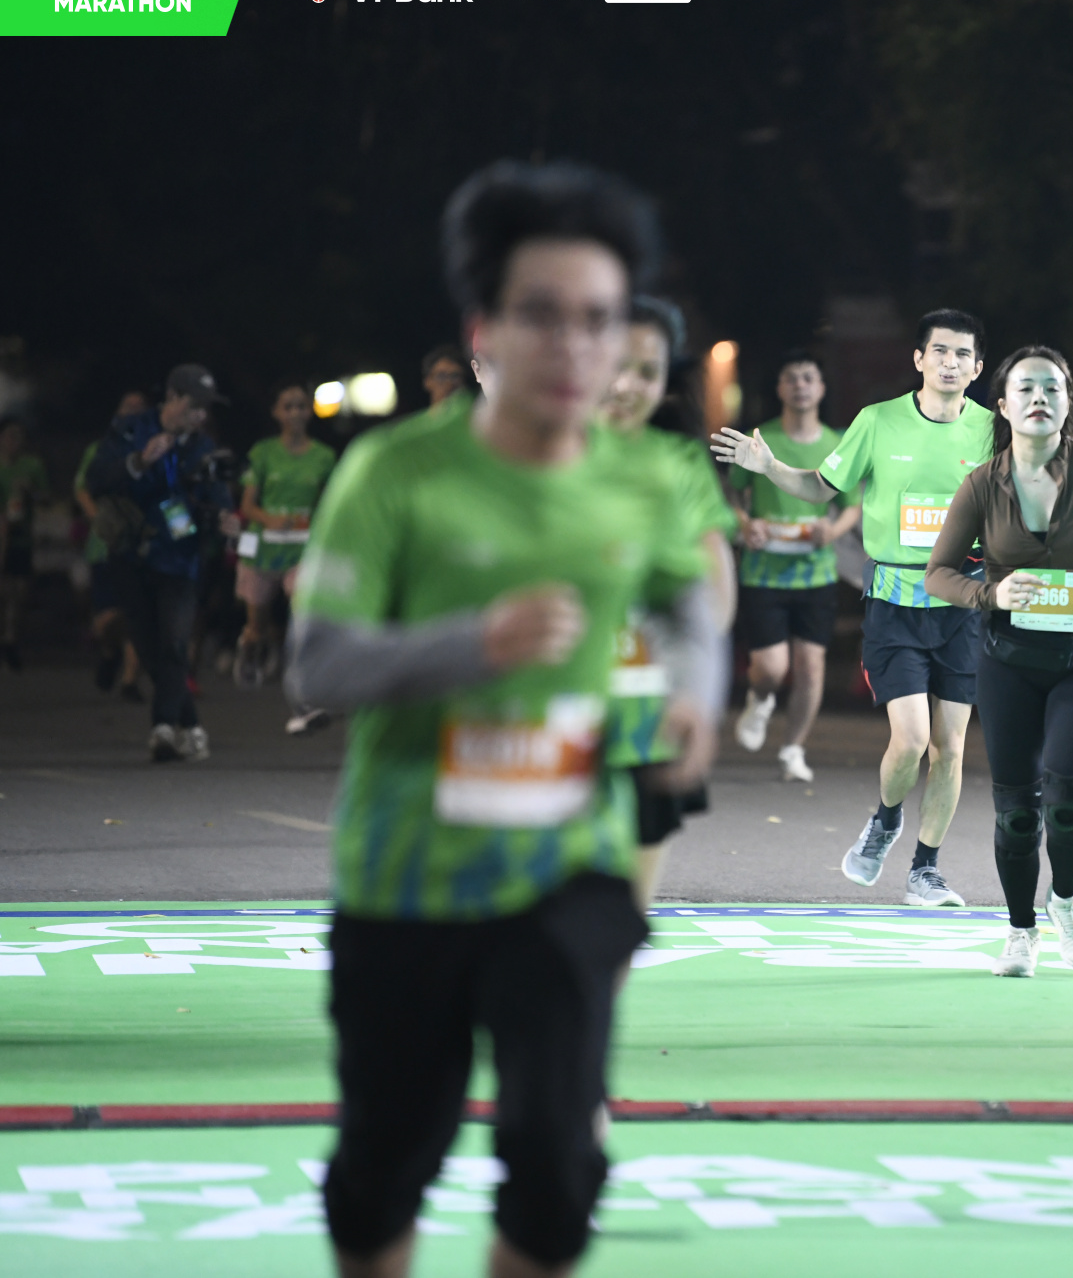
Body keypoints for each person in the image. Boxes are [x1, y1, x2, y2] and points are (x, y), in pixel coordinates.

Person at [287, 159, 716, 1278]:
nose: (574, 347)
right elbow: (317, 665)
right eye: (543, 316)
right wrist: (472, 643)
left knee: (560, 1172)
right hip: (407, 879)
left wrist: (696, 696)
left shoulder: (644, 480)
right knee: (384, 1167)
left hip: (569, 867)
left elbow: (690, 605)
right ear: (485, 329)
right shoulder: (393, 474)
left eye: (599, 320)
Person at [715, 315, 1073, 907]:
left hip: (969, 605)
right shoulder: (877, 421)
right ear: (918, 359)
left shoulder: (993, 429)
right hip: (896, 602)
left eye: (962, 355)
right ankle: (886, 817)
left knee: (951, 747)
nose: (950, 362)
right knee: (912, 739)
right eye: (939, 351)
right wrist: (768, 467)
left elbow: (1051, 469)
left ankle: (926, 869)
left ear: (977, 369)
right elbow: (822, 486)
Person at [923, 346, 1073, 976]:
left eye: (1052, 388)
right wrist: (989, 594)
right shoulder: (981, 484)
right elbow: (938, 573)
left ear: (1068, 402)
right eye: (1025, 389)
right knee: (1018, 812)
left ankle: (1065, 900)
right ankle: (1021, 930)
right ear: (1002, 405)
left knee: (1070, 800)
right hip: (1007, 659)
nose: (1039, 398)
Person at [600, 293, 737, 910]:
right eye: (616, 364)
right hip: (548, 720)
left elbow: (712, 592)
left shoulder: (678, 464)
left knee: (623, 916)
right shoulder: (531, 458)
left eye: (648, 372)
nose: (628, 385)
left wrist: (694, 690)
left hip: (644, 719)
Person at [85, 363, 234, 762]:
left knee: (175, 641)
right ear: (171, 397)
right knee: (148, 644)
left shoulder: (202, 445)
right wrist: (138, 461)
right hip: (130, 554)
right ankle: (191, 724)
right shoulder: (131, 429)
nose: (200, 415)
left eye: (205, 408)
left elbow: (217, 494)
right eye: (194, 405)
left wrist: (224, 517)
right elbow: (96, 479)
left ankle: (163, 727)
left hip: (180, 558)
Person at [730, 353, 860, 783]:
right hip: (763, 571)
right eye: (792, 378)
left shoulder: (838, 444)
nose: (801, 385)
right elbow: (735, 497)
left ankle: (793, 750)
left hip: (815, 573)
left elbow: (852, 505)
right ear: (780, 389)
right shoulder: (760, 440)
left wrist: (832, 530)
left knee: (810, 666)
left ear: (821, 388)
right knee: (771, 668)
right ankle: (760, 699)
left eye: (809, 377)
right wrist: (745, 524)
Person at [233, 383, 337, 691]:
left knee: (304, 613)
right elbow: (247, 505)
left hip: (302, 550)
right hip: (263, 548)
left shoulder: (324, 456)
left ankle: (304, 677)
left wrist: (319, 524)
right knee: (256, 626)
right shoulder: (262, 452)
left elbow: (330, 504)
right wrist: (271, 520)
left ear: (310, 412)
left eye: (301, 406)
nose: (295, 413)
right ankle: (250, 649)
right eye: (288, 406)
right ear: (276, 413)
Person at [74, 391, 151, 696]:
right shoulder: (99, 450)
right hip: (105, 545)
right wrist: (101, 519)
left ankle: (130, 680)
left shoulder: (152, 448)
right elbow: (82, 489)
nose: (133, 411)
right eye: (128, 406)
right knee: (107, 617)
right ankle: (109, 651)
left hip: (141, 545)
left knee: (138, 612)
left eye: (140, 407)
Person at [0, 418, 52, 671]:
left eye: (18, 436)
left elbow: (46, 498)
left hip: (21, 538)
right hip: (2, 536)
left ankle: (10, 640)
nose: (13, 441)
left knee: (19, 592)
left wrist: (31, 491)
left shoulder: (32, 466)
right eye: (9, 436)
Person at [421, 344, 472, 409]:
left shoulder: (478, 413)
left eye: (455, 376)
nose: (449, 383)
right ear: (427, 381)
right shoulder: (416, 415)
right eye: (441, 376)